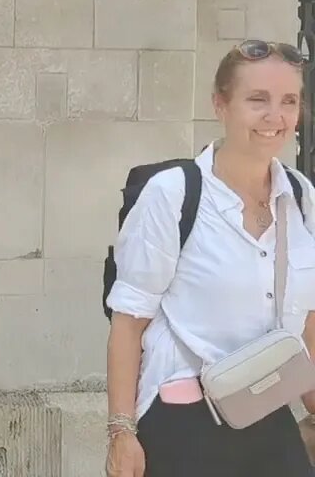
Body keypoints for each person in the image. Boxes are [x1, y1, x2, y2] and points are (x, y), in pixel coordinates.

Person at [105, 39, 315, 476]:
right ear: (220, 104)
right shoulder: (174, 194)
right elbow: (129, 322)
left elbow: (307, 317)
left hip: (266, 407)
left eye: (288, 101)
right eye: (257, 99)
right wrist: (121, 432)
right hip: (182, 417)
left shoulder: (300, 196)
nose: (274, 116)